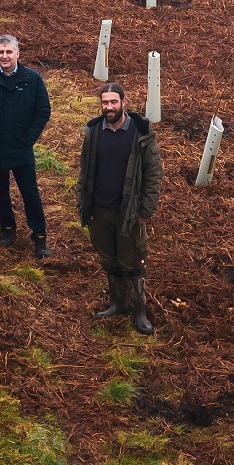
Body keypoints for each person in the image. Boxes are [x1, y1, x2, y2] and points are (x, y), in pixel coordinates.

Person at [75, 81, 161, 335]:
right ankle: (117, 303)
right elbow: (84, 170)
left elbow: (154, 174)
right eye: (105, 102)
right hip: (99, 210)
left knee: (133, 263)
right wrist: (83, 202)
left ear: (124, 102)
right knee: (109, 260)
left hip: (129, 212)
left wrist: (146, 210)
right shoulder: (94, 132)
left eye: (114, 102)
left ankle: (139, 312)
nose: (109, 107)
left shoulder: (140, 133)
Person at [0, 34, 51, 256]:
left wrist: (28, 139)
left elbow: (43, 111)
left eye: (8, 52)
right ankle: (7, 230)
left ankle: (40, 237)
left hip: (21, 148)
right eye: (0, 52)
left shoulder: (32, 79)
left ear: (17, 53)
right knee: (0, 192)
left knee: (30, 192)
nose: (4, 56)